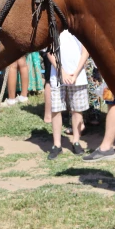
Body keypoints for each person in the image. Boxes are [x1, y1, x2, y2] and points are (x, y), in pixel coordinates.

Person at [47, 30, 90, 159]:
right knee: (56, 109)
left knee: (77, 110)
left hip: (78, 77)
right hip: (58, 76)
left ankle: (76, 141)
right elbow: (50, 52)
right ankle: (57, 144)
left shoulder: (78, 28)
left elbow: (85, 52)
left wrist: (76, 73)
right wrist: (62, 72)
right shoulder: (54, 29)